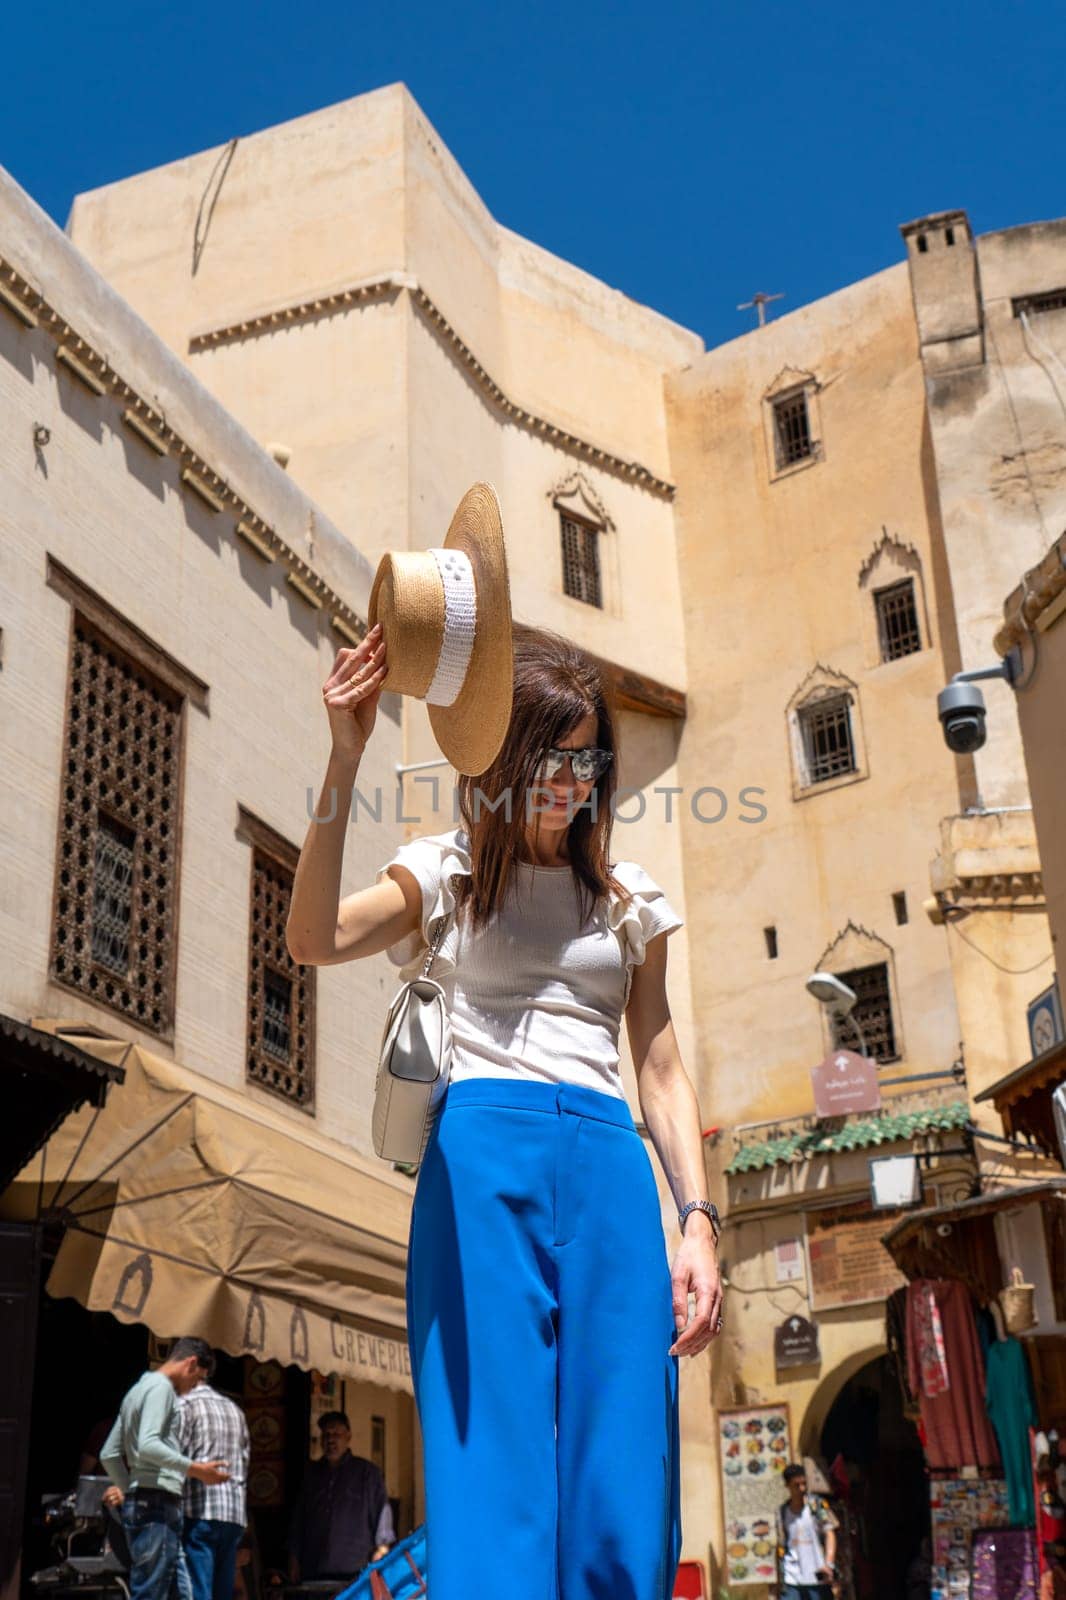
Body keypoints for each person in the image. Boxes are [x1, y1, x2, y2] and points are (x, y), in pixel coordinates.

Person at [286, 606, 723, 1600]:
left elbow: (657, 1063)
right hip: (480, 1160)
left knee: (624, 1464)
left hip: (612, 1169)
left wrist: (696, 1223)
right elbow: (310, 937)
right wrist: (344, 758)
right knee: (495, 1462)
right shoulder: (442, 871)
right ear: (503, 760)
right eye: (550, 761)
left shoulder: (631, 899)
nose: (569, 785)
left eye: (587, 764)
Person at [100, 1338, 230, 1600]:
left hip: (150, 1505)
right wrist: (196, 1470)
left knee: (180, 1594)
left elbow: (110, 1454)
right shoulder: (162, 1389)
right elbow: (149, 1445)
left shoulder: (137, 1390)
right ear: (191, 1364)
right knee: (151, 1593)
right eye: (195, 1382)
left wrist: (130, 1493)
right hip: (156, 1507)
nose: (190, 1390)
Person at [287, 1412, 395, 1582]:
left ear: (348, 1436)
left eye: (336, 1434)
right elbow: (298, 1522)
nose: (331, 1440)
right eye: (326, 1434)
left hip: (354, 1573)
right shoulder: (311, 1475)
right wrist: (293, 1559)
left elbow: (382, 1518)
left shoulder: (367, 1473)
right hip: (314, 1571)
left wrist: (382, 1551)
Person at [177, 1373, 251, 1600]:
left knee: (197, 1590)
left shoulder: (185, 1405)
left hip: (200, 1511)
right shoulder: (235, 1410)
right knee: (222, 1591)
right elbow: (245, 1461)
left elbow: (172, 1459)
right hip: (232, 1514)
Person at [776, 1462, 839, 1600]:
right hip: (791, 1578)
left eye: (804, 1484)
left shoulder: (817, 1506)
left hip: (817, 1576)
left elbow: (830, 1533)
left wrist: (829, 1564)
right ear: (787, 1486)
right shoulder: (782, 1512)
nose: (802, 1488)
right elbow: (782, 1543)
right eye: (796, 1485)